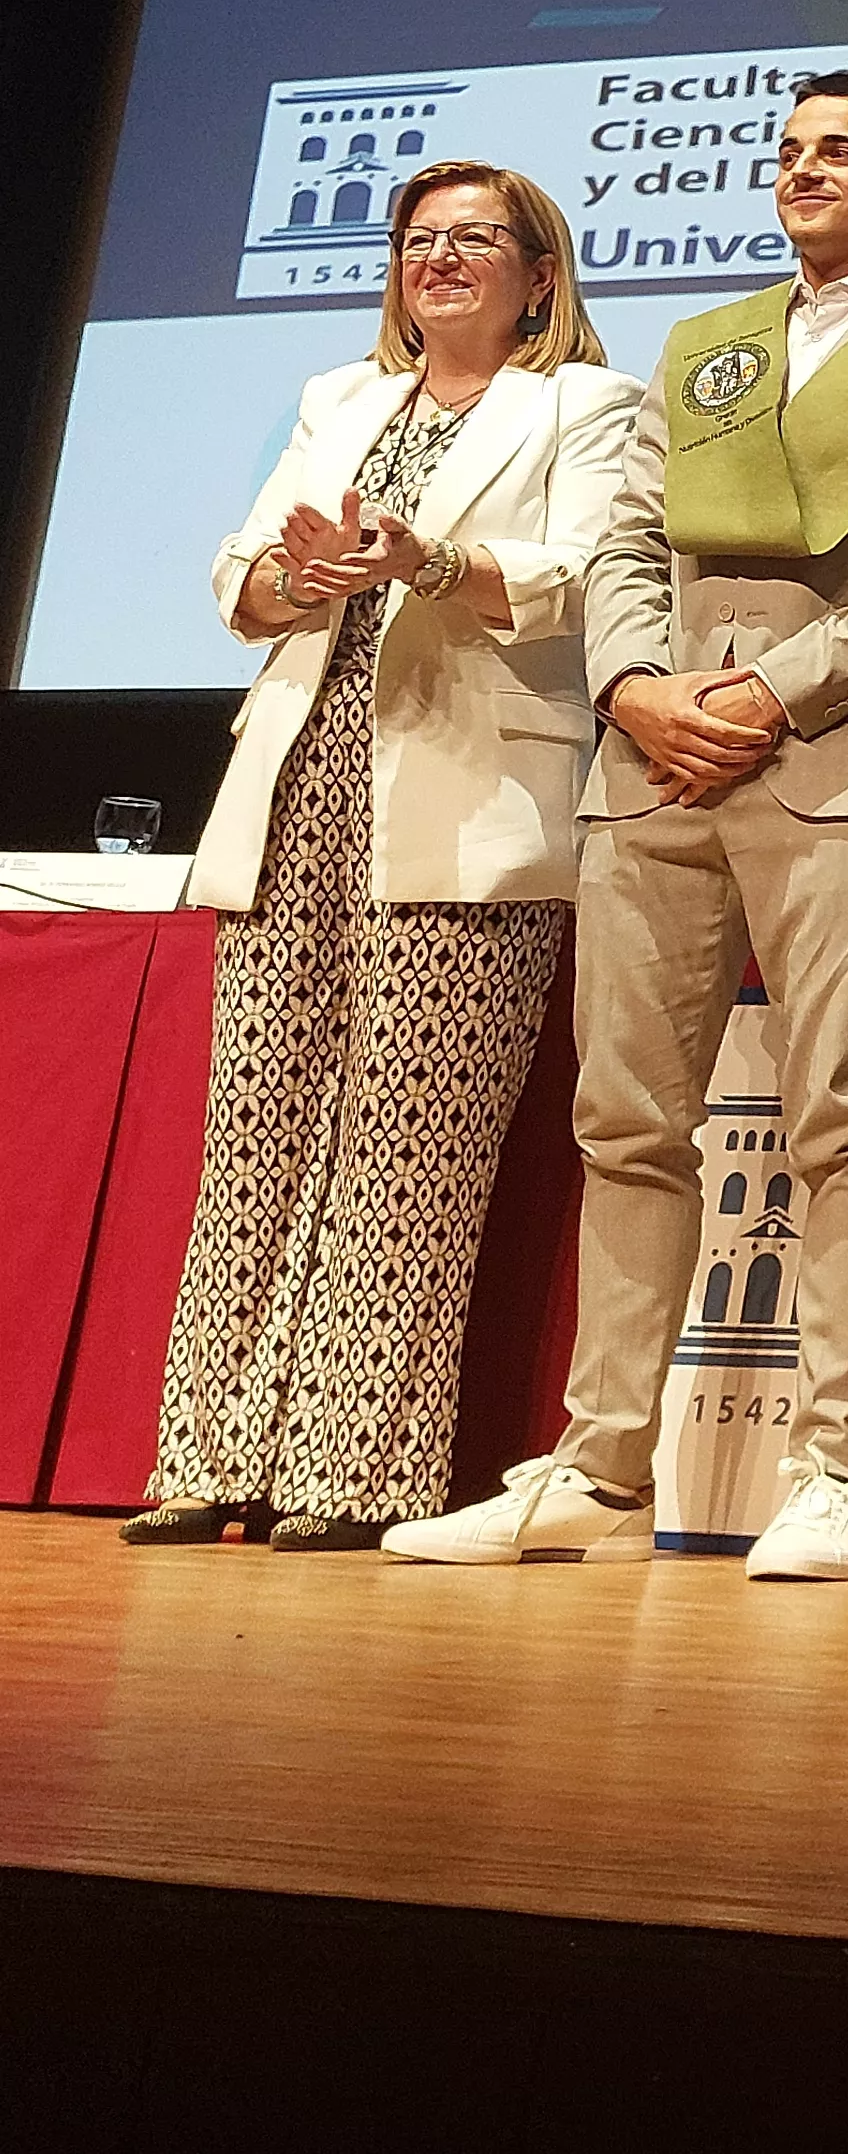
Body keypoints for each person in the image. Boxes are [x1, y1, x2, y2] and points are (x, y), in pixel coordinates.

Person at [391, 75, 848, 1578]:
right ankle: (600, 1473)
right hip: (650, 767)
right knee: (625, 1121)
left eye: (844, 151)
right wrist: (633, 681)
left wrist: (764, 691)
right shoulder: (708, 344)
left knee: (841, 1116)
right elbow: (628, 534)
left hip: (836, 764)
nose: (804, 170)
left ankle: (832, 1476)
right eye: (792, 149)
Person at [129, 167, 643, 1549]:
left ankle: (353, 1474)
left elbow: (593, 582)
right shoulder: (337, 401)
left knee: (408, 1150)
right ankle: (212, 1457)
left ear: (541, 275)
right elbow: (244, 577)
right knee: (255, 1139)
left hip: (470, 804)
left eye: (476, 240)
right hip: (298, 786)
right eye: (419, 242)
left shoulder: (586, 406)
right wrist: (297, 580)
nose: (440, 260)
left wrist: (426, 561)